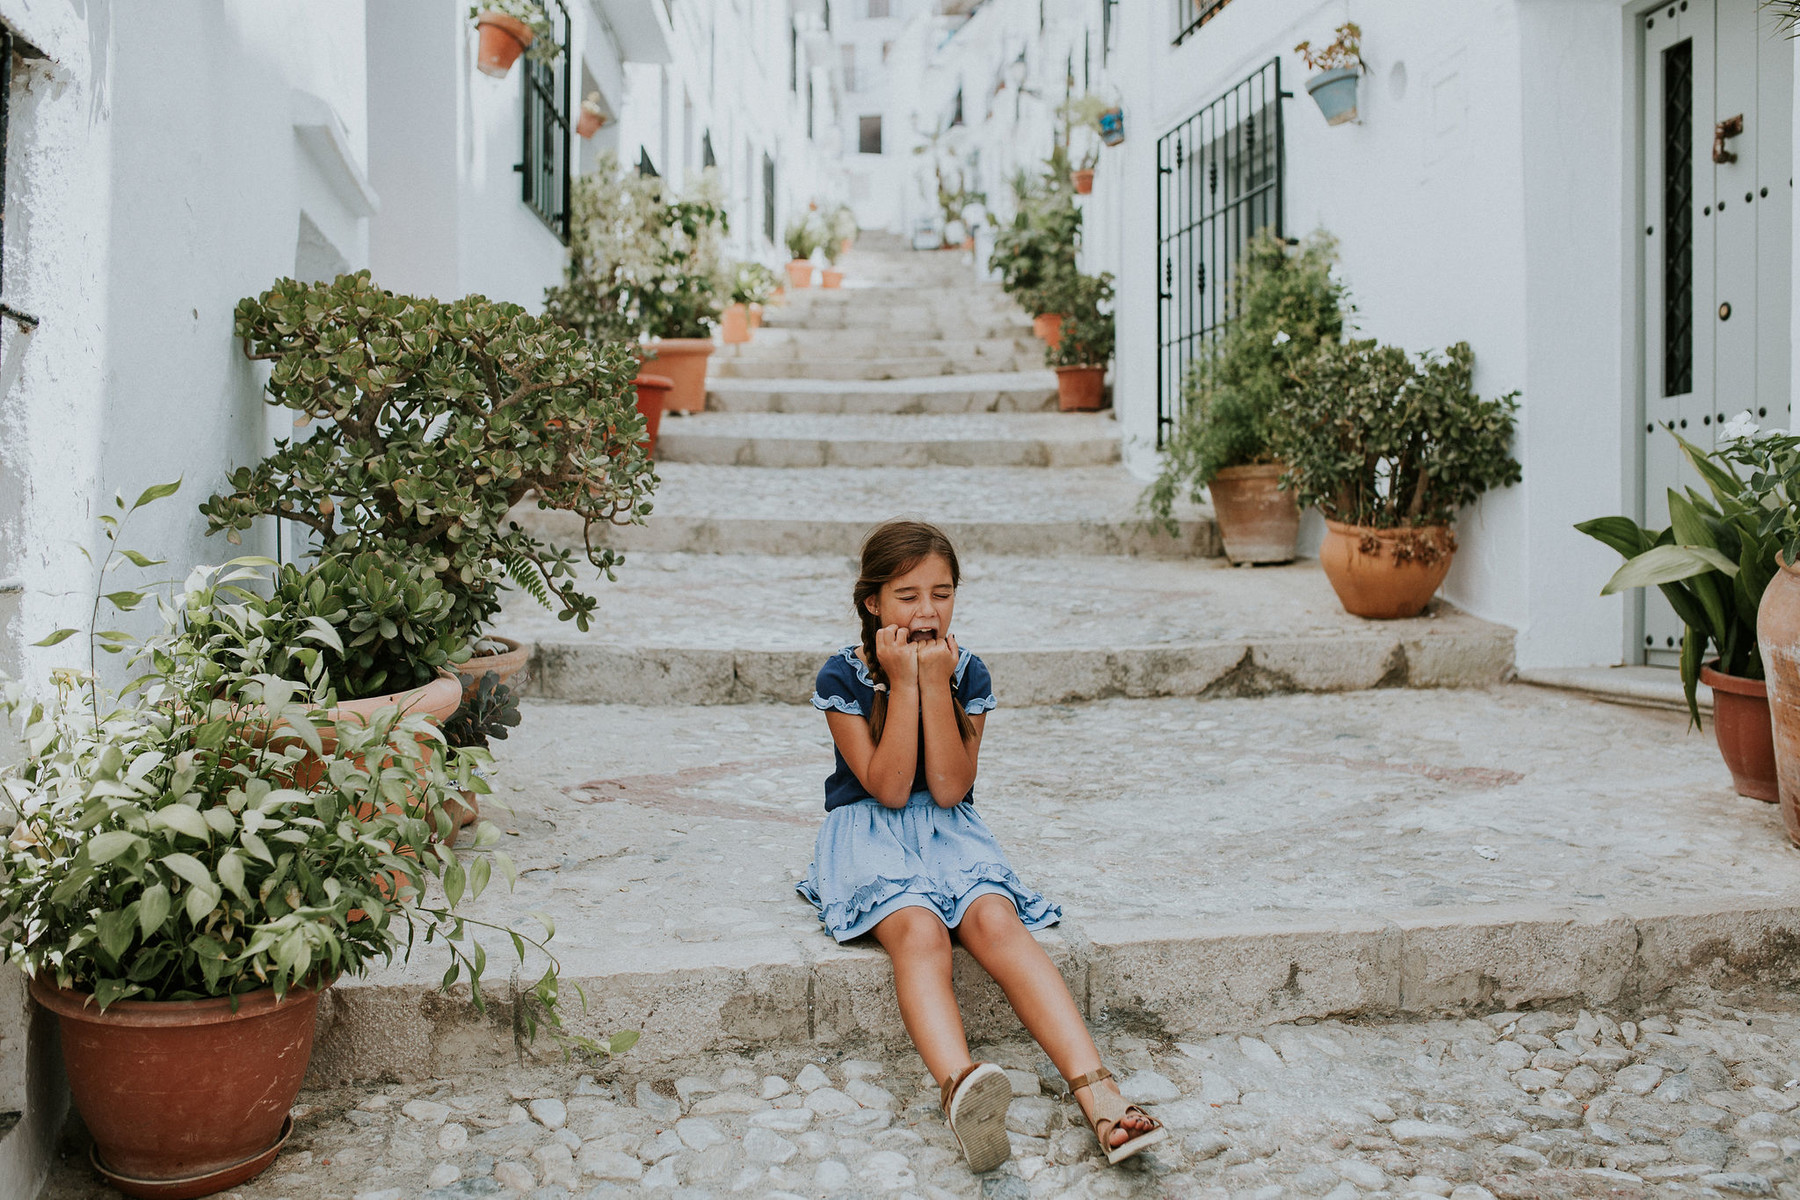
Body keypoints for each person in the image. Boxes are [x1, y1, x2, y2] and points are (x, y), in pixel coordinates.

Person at [795, 518, 1168, 1172]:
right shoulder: (842, 678)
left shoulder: (965, 671)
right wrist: (903, 680)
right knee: (918, 931)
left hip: (948, 828)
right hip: (869, 830)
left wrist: (933, 682)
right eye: (907, 595)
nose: (927, 610)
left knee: (995, 919)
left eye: (942, 593)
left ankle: (1098, 1091)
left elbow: (947, 787)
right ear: (873, 602)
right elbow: (885, 787)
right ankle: (962, 1087)